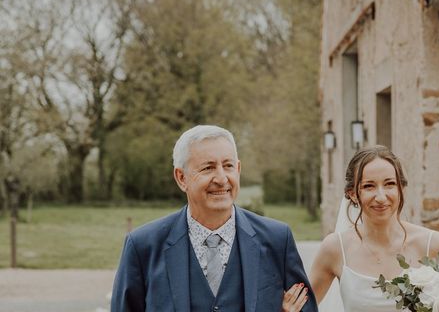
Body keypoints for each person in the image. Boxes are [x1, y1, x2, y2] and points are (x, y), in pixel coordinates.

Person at [111, 125, 317, 312]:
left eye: (227, 166)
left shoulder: (278, 239)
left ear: (238, 170)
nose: (221, 179)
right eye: (208, 168)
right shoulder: (142, 246)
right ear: (181, 178)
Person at [298, 145, 439, 311]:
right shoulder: (335, 248)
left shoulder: (432, 245)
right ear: (353, 194)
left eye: (389, 184)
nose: (381, 197)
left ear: (402, 189)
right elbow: (302, 308)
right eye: (369, 186)